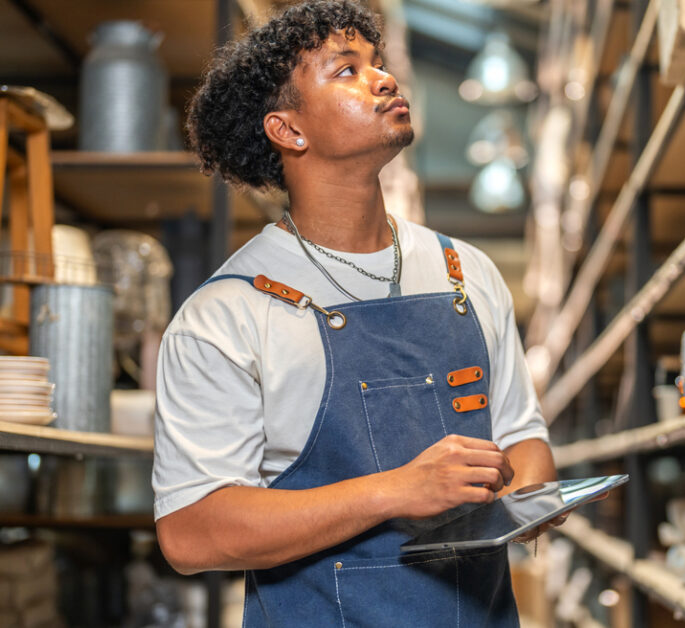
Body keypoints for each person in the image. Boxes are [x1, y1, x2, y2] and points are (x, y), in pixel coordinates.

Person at [153, 1, 559, 625]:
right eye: (346, 71)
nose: (384, 79)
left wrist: (522, 498)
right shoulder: (227, 314)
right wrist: (399, 490)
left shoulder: (466, 273)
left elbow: (525, 442)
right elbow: (190, 533)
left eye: (378, 64)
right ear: (289, 131)